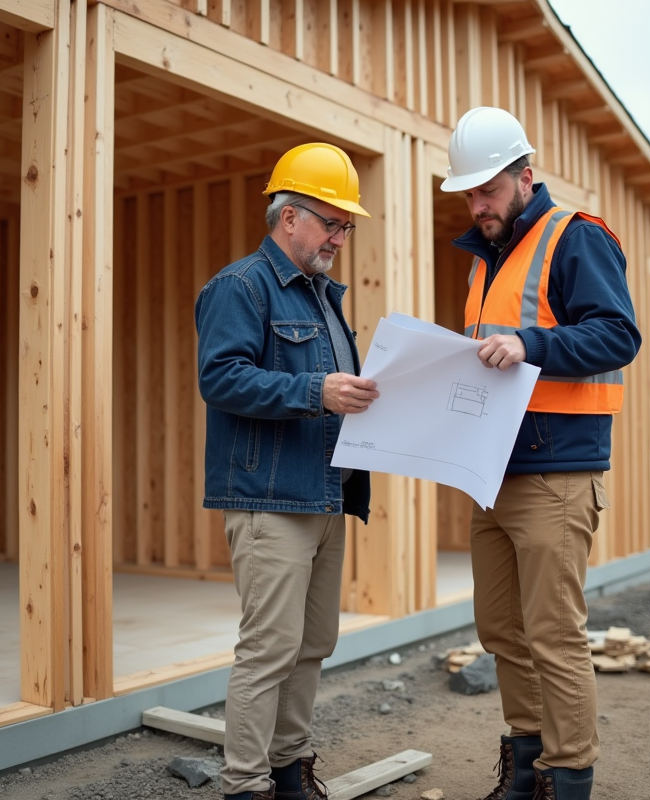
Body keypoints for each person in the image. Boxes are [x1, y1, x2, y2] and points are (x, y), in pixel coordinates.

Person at [439, 107, 641, 800]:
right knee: (501, 629)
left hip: (558, 473)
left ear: (526, 175)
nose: (477, 204)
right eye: (468, 193)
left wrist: (533, 346)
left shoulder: (574, 238)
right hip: (493, 472)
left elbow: (618, 336)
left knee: (553, 635)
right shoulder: (487, 258)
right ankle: (527, 772)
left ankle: (568, 778)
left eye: (487, 190)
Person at [195, 142, 380, 800]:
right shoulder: (240, 286)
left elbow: (333, 391)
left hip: (326, 499)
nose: (339, 237)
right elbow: (219, 379)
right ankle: (246, 786)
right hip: (270, 499)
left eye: (345, 226)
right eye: (331, 223)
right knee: (269, 649)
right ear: (289, 216)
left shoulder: (324, 298)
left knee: (313, 643)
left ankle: (289, 766)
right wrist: (316, 393)